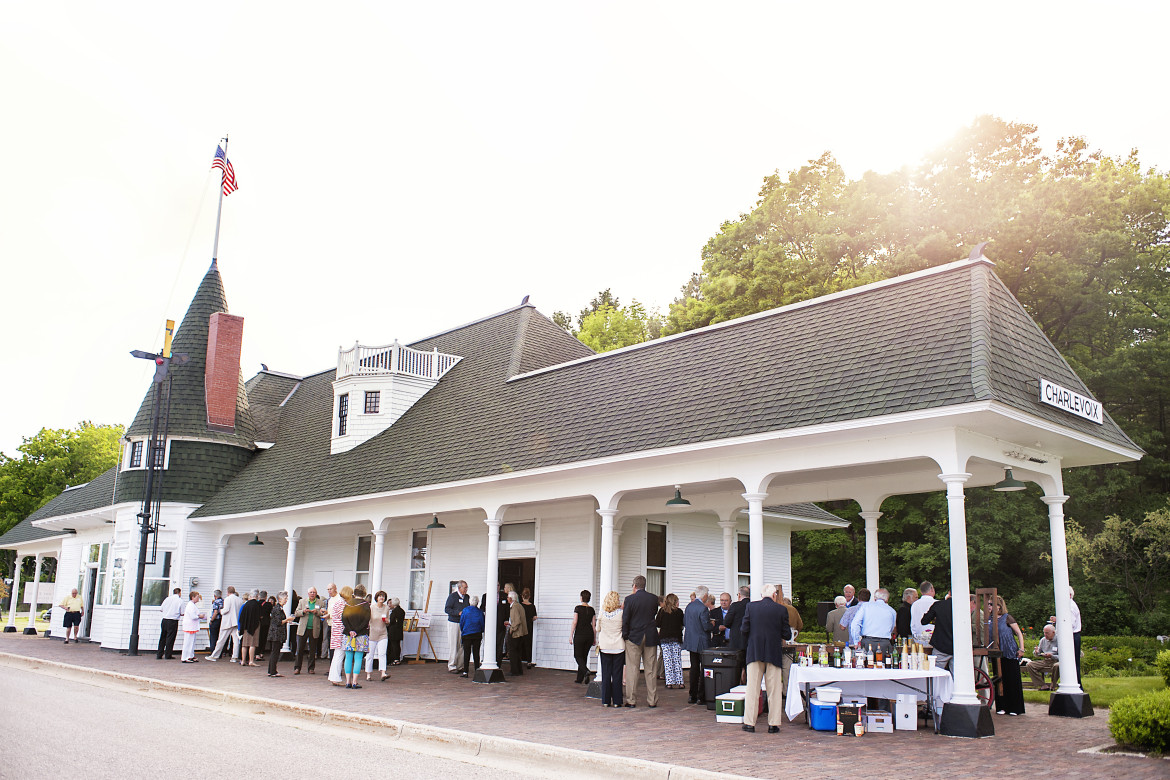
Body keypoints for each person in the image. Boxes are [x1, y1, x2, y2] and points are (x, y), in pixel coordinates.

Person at [740, 584, 790, 734]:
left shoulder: (751, 607)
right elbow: (786, 634)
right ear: (774, 595)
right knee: (774, 689)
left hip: (754, 651)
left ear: (761, 595)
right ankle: (773, 724)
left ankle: (749, 723)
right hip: (773, 652)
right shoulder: (781, 609)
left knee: (752, 689)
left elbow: (744, 629)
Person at [622, 575, 660, 708]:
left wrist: (625, 635)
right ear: (645, 585)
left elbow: (626, 619)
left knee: (633, 669)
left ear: (634, 586)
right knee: (651, 669)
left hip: (634, 636)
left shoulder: (629, 599)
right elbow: (653, 613)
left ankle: (631, 700)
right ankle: (652, 700)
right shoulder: (653, 599)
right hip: (650, 635)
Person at [922, 593, 975, 674]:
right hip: (958, 647)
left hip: (941, 645)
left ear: (949, 593)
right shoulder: (963, 607)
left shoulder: (938, 605)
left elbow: (924, 621)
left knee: (936, 674)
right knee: (957, 676)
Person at [991, 595, 1026, 715]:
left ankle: (1014, 707)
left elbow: (1018, 633)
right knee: (1000, 679)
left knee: (1012, 679)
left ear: (999, 606)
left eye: (992, 604)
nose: (989, 607)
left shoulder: (1007, 618)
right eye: (988, 604)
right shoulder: (989, 619)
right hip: (996, 653)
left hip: (1009, 651)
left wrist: (1021, 649)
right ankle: (1001, 705)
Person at [682, 584, 712, 705]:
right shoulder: (703, 608)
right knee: (704, 668)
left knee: (694, 668)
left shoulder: (689, 606)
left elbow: (685, 622)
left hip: (691, 640)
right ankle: (701, 696)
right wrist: (712, 625)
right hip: (702, 642)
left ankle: (692, 695)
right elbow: (706, 626)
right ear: (705, 595)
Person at [849, 587, 898, 656]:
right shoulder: (892, 611)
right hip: (884, 643)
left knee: (866, 665)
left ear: (875, 598)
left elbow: (855, 624)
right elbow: (892, 628)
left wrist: (856, 641)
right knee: (884, 665)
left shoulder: (865, 606)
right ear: (887, 599)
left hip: (867, 642)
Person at [597, 591, 625, 707]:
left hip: (605, 646)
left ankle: (605, 700)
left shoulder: (602, 613)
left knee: (606, 674)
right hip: (618, 646)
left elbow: (598, 628)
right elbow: (624, 628)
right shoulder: (621, 613)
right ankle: (617, 701)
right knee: (617, 675)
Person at [341, 585, 371, 689]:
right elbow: (366, 620)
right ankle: (355, 682)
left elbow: (344, 618)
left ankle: (347, 681)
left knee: (348, 657)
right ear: (364, 593)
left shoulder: (348, 603)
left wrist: (350, 630)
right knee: (358, 658)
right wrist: (357, 631)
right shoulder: (366, 605)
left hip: (348, 634)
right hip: (361, 634)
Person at [293, 587, 325, 675]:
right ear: (308, 593)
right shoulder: (302, 602)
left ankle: (311, 668)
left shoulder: (320, 603)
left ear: (316, 593)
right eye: (311, 592)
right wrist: (303, 611)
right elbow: (296, 612)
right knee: (299, 649)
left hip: (314, 629)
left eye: (314, 592)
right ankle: (297, 668)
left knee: (312, 650)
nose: (312, 594)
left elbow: (323, 613)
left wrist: (317, 612)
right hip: (303, 629)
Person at [655, 593, 685, 689]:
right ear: (675, 601)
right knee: (677, 660)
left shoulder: (662, 611)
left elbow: (657, 623)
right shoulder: (679, 612)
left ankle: (669, 682)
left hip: (664, 638)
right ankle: (680, 682)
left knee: (667, 661)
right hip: (676, 638)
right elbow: (682, 624)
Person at [207, 586, 242, 662]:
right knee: (236, 641)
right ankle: (234, 657)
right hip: (236, 621)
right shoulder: (239, 600)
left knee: (221, 639)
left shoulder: (227, 599)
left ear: (228, 592)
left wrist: (220, 611)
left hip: (227, 622)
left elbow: (226, 610)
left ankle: (215, 655)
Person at [570, 590, 596, 684]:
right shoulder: (592, 610)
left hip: (580, 634)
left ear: (581, 597)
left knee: (577, 655)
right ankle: (580, 678)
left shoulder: (577, 608)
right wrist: (594, 638)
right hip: (589, 634)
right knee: (584, 656)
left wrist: (571, 635)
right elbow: (594, 625)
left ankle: (586, 671)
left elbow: (575, 622)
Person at [445, 580, 470, 674]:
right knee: (453, 644)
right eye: (465, 587)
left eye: (467, 587)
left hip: (463, 623)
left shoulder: (467, 597)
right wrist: (457, 613)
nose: (466, 589)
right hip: (454, 622)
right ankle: (451, 665)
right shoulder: (452, 596)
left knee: (462, 644)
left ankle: (460, 665)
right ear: (459, 588)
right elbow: (447, 609)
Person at [267, 591, 294, 677]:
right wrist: (288, 619)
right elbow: (279, 622)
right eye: (285, 598)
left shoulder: (278, 608)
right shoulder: (277, 609)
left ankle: (271, 670)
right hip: (276, 634)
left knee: (274, 652)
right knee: (275, 652)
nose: (286, 600)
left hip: (276, 634)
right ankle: (272, 671)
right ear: (280, 599)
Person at [366, 590, 391, 682]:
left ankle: (383, 672)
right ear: (376, 598)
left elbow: (388, 620)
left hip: (383, 633)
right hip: (373, 633)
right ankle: (368, 674)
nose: (381, 598)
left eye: (383, 596)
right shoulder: (371, 607)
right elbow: (368, 620)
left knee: (382, 653)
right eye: (380, 596)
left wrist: (387, 621)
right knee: (370, 654)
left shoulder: (386, 608)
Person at [1028, 624, 1060, 690]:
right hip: (1046, 660)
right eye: (1044, 633)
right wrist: (1036, 652)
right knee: (1030, 665)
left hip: (1056, 660)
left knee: (1057, 666)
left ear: (1053, 632)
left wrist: (1052, 656)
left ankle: (1053, 685)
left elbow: (1063, 656)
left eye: (1047, 633)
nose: (1045, 635)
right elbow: (1037, 654)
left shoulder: (1059, 640)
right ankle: (1042, 685)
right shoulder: (1043, 640)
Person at [460, 595, 485, 678]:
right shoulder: (479, 612)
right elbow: (482, 623)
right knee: (476, 653)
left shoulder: (465, 610)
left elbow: (462, 622)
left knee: (466, 653)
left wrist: (463, 630)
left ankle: (465, 672)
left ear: (470, 602)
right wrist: (481, 630)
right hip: (477, 634)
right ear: (477, 603)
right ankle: (476, 670)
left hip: (467, 633)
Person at [328, 584, 347, 685]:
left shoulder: (337, 602)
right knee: (339, 655)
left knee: (336, 655)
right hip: (340, 633)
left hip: (335, 631)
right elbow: (344, 618)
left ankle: (333, 676)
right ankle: (336, 678)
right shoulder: (342, 604)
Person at [505, 590, 528, 676]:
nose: (507, 599)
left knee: (513, 652)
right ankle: (519, 670)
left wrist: (511, 629)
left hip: (516, 633)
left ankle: (514, 670)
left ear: (510, 598)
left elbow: (517, 621)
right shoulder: (520, 606)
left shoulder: (514, 607)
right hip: (522, 633)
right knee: (518, 652)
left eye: (508, 597)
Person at [238, 591, 263, 667]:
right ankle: (251, 661)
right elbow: (260, 616)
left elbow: (241, 617)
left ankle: (243, 660)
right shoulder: (257, 605)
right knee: (252, 644)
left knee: (244, 644)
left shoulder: (246, 604)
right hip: (254, 626)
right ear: (257, 596)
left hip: (245, 626)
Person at [157, 587, 183, 660]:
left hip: (165, 619)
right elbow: (182, 613)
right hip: (173, 620)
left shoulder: (167, 599)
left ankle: (159, 654)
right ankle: (168, 654)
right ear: (179, 593)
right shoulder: (180, 601)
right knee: (170, 638)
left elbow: (161, 609)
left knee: (163, 637)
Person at [179, 591, 205, 663]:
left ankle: (190, 655)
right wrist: (200, 616)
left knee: (192, 642)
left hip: (192, 626)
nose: (198, 599)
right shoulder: (190, 605)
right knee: (188, 642)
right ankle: (185, 657)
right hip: (189, 626)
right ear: (193, 597)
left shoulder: (192, 605)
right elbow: (193, 616)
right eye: (197, 597)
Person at [727, 586, 750, 651]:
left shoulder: (735, 606)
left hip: (736, 640)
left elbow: (726, 622)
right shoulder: (753, 605)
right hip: (750, 640)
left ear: (739, 595)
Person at [322, 582, 339, 661]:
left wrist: (330, 616)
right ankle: (331, 667)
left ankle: (336, 668)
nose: (329, 591)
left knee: (335, 648)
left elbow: (340, 613)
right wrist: (325, 612)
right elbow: (329, 612)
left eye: (330, 589)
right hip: (329, 625)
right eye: (328, 589)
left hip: (336, 626)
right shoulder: (330, 600)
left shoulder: (339, 599)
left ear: (335, 588)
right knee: (330, 647)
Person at [521, 588, 538, 669]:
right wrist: (530, 619)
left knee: (519, 643)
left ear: (522, 596)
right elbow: (535, 617)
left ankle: (519, 659)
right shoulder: (532, 606)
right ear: (530, 596)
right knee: (528, 644)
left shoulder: (520, 605)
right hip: (529, 626)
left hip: (521, 626)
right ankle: (528, 661)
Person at [1069, 587, 1082, 684]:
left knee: (1073, 662)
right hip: (1073, 635)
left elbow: (1071, 623)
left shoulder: (1070, 606)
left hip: (1072, 636)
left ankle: (1076, 684)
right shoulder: (1070, 605)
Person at [388, 597, 405, 666]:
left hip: (393, 631)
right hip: (399, 630)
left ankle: (395, 659)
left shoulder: (395, 611)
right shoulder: (402, 611)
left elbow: (391, 621)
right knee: (397, 645)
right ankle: (397, 659)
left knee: (394, 645)